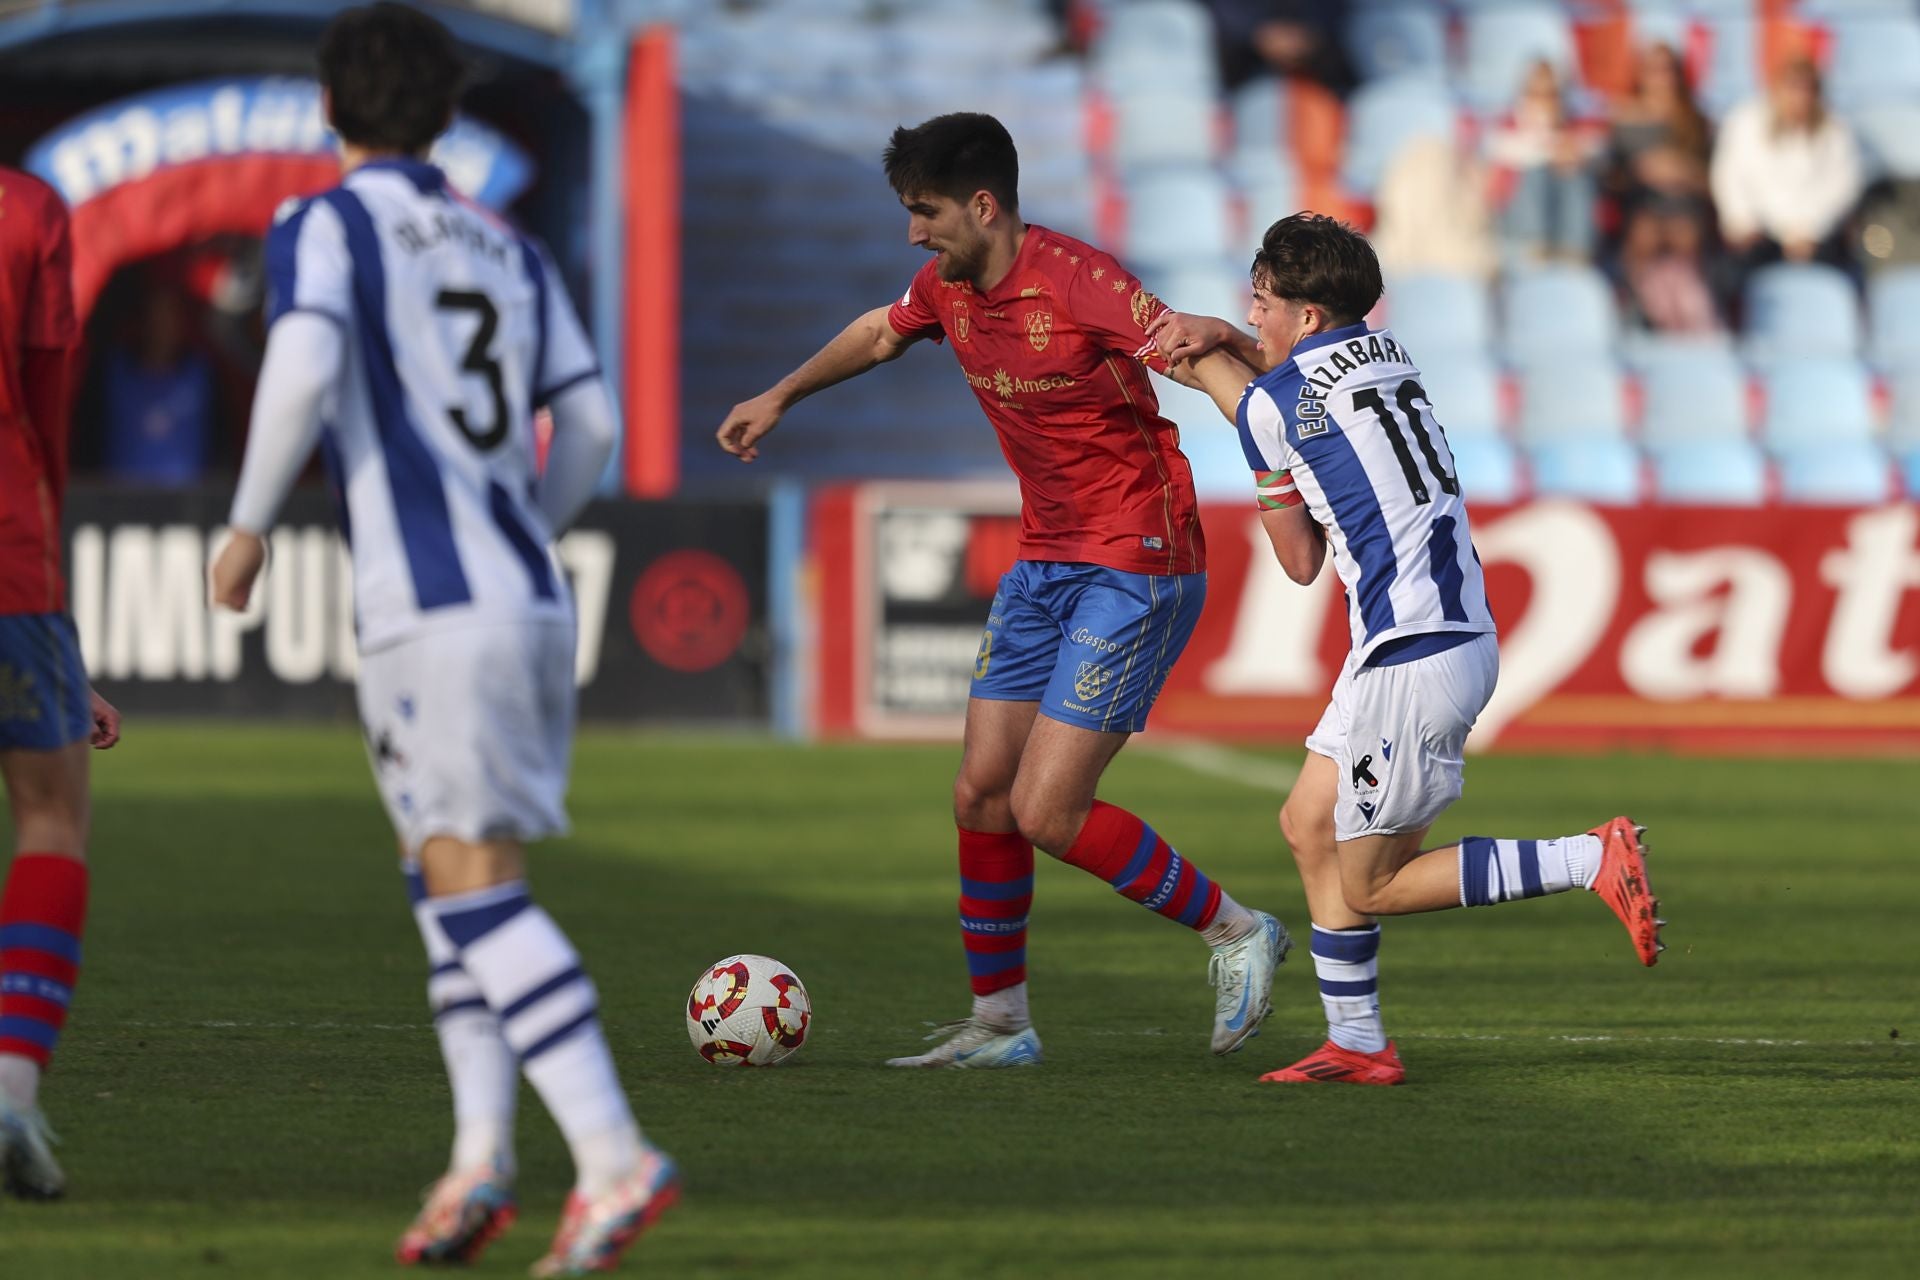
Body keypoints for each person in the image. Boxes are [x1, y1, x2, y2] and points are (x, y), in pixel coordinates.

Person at [207, 6, 671, 1273]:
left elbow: (300, 364)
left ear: (328, 103)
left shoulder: (326, 223)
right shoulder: (506, 242)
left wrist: (247, 524)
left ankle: (615, 1154)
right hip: (521, 589)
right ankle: (479, 1162)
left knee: (474, 884)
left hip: (434, 609)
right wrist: (522, 523)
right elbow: (589, 425)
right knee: (445, 881)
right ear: (445, 113)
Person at [716, 112, 1290, 1069]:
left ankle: (1237, 931)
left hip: (1136, 556)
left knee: (1047, 811)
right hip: (1044, 559)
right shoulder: (946, 286)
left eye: (925, 212)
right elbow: (877, 332)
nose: (914, 233)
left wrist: (1278, 464)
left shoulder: (1078, 281)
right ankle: (1001, 1024)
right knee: (982, 793)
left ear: (984, 205)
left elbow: (1196, 362)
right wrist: (780, 393)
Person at [1148, 214, 1663, 1087]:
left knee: (1370, 885)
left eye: (1263, 301)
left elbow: (1300, 560)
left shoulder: (1278, 406)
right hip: (1422, 637)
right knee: (1309, 825)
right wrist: (1231, 340)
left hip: (1412, 653)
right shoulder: (1391, 355)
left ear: (1307, 315)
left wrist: (1213, 374)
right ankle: (1356, 1043)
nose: (1254, 313)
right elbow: (1290, 379)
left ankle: (1591, 857)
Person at [0, 162, 123, 1200]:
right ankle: (10, 1087)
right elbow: (47, 422)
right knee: (49, 814)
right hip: (8, 558)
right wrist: (62, 639)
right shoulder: (28, 210)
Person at [1710, 56, 1862, 272]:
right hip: (1757, 233)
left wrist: (1810, 230)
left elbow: (1843, 187)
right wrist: (1743, 221)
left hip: (1815, 235)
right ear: (1776, 88)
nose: (1799, 97)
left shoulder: (1835, 130)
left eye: (1807, 89)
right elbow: (1730, 177)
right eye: (1792, 87)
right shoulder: (1744, 122)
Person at [1488, 59, 1604, 263]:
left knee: (1575, 172)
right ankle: (1533, 249)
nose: (1544, 100)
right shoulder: (1509, 124)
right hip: (1517, 228)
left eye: (1551, 94)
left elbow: (1599, 147)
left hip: (1564, 224)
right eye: (1536, 93)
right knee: (1536, 171)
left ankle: (1574, 253)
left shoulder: (1574, 124)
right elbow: (1503, 148)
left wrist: (1571, 150)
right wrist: (1554, 147)